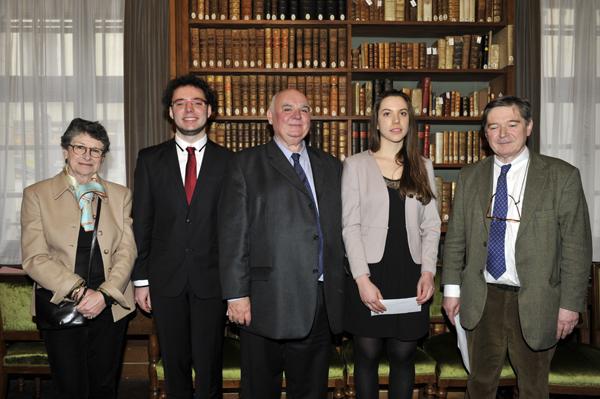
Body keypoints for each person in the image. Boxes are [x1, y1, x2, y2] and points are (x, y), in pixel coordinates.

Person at [442, 96, 592, 398]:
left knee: (534, 388)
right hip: (482, 299)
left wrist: (570, 305)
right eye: (493, 127)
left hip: (537, 301)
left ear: (529, 127)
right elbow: (456, 237)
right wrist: (451, 291)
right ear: (485, 134)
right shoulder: (470, 176)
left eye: (512, 124)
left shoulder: (561, 176)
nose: (502, 134)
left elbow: (577, 246)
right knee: (480, 384)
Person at [218, 89, 345, 399]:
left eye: (304, 109)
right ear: (270, 117)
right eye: (287, 109)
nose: (296, 116)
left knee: (312, 390)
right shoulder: (245, 164)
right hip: (265, 301)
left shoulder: (331, 166)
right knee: (260, 390)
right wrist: (236, 294)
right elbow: (232, 233)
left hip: (319, 301)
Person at [20, 118, 136, 398]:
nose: (87, 156)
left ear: (103, 157)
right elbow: (34, 257)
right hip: (61, 302)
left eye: (96, 150)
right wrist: (80, 292)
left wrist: (104, 295)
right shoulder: (36, 194)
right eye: (80, 147)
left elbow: (126, 250)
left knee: (104, 386)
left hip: (109, 305)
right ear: (65, 150)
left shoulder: (120, 195)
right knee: (69, 387)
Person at [131, 74, 231, 399]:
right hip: (165, 281)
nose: (189, 109)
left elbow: (235, 228)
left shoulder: (231, 162)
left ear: (210, 110)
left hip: (212, 282)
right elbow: (142, 222)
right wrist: (141, 280)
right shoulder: (149, 160)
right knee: (174, 369)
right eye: (180, 103)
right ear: (170, 113)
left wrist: (237, 286)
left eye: (197, 102)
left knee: (209, 368)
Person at [341, 90, 441, 399]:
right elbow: (350, 226)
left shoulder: (423, 165)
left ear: (410, 120)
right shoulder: (355, 165)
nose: (395, 120)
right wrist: (361, 279)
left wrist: (428, 272)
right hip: (369, 275)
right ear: (376, 121)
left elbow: (431, 224)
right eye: (387, 113)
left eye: (402, 113)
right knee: (367, 355)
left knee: (403, 356)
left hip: (410, 275)